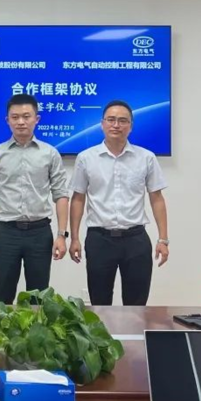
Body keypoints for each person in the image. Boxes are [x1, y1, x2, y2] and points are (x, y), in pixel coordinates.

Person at [69, 100, 169, 305]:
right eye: (111, 120)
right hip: (99, 239)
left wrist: (163, 239)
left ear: (130, 126)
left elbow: (157, 198)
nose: (116, 125)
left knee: (136, 305)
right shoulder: (86, 158)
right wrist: (75, 238)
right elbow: (78, 198)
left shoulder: (146, 158)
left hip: (136, 240)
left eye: (123, 121)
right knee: (99, 303)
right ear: (102, 124)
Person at [0, 94, 69, 305]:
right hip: (6, 232)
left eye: (26, 116)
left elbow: (61, 195)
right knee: (3, 295)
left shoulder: (50, 153)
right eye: (15, 117)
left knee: (38, 297)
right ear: (7, 120)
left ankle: (36, 328)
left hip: (40, 232)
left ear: (36, 119)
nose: (21, 121)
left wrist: (61, 235)